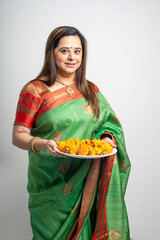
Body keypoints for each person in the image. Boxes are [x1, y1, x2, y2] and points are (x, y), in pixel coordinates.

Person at [12, 26, 131, 240]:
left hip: (86, 178)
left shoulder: (90, 90)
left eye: (77, 51)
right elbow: (18, 135)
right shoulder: (35, 90)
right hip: (48, 184)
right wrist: (43, 143)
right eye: (64, 50)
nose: (72, 57)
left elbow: (108, 125)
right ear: (51, 52)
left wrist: (105, 138)